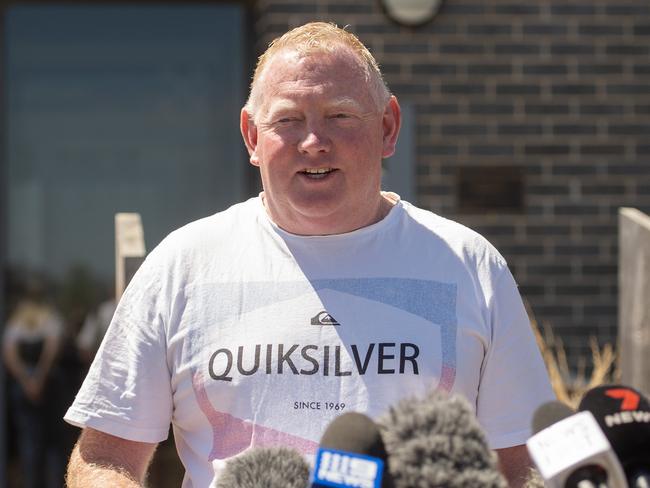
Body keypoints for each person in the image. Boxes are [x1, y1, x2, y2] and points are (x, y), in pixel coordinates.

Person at [64, 22, 554, 488]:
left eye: (339, 115)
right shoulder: (182, 266)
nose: (314, 142)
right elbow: (106, 454)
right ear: (252, 137)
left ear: (388, 127)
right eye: (288, 120)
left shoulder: (469, 265)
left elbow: (522, 460)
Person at [3, 282, 66, 488]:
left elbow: (10, 353)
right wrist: (40, 377)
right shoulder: (50, 318)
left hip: (26, 385)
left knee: (30, 441)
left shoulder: (17, 321)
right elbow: (52, 347)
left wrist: (25, 380)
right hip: (47, 384)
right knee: (52, 443)